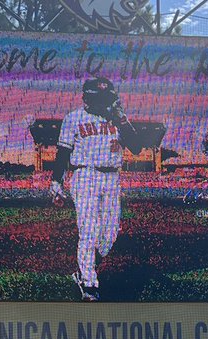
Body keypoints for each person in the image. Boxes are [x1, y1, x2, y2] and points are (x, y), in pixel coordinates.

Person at [50, 77, 151, 302]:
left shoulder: (117, 119)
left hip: (112, 177)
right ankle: (89, 283)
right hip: (85, 174)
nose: (105, 102)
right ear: (87, 98)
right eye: (101, 98)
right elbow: (63, 153)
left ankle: (84, 269)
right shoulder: (74, 118)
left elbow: (136, 147)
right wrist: (57, 183)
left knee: (109, 236)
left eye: (107, 98)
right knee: (89, 230)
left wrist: (123, 120)